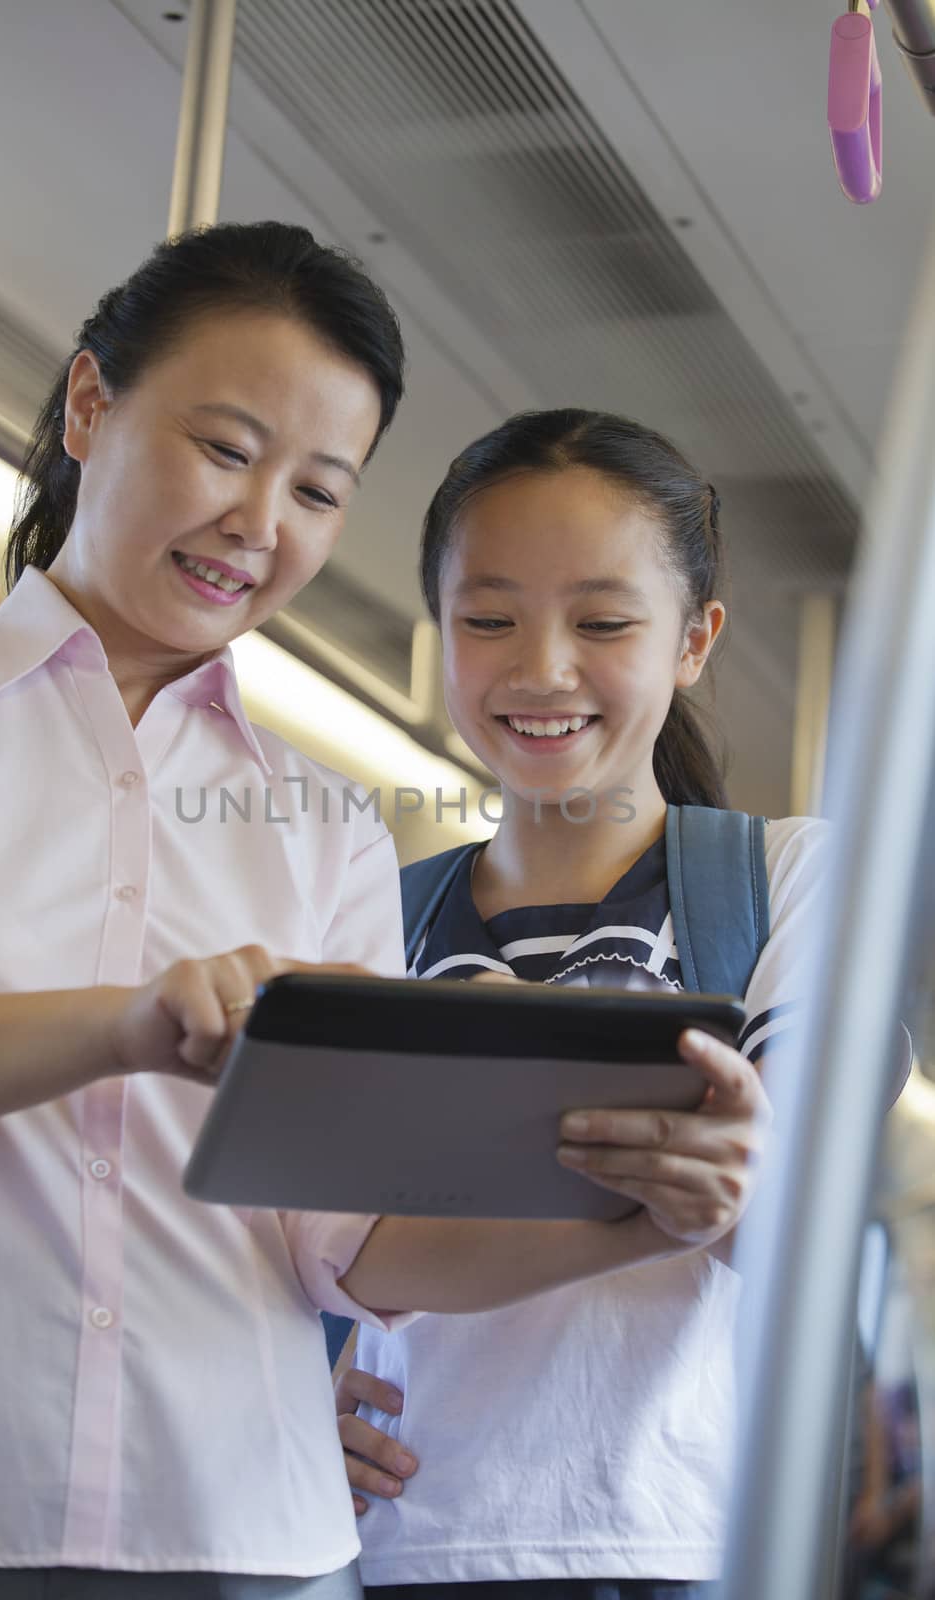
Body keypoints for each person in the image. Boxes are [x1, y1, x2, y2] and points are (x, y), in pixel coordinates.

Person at [0, 239, 766, 1599]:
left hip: (238, 1533)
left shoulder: (328, 824)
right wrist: (121, 1028)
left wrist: (651, 1219)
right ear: (90, 408)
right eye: (226, 449)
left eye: (317, 491)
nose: (258, 522)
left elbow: (348, 1243)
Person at [335, 409, 829, 1600]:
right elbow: (299, 1244)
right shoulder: (365, 914)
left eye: (602, 622)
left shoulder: (783, 880)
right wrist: (290, 1393)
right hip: (400, 1543)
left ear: (694, 638)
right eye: (487, 619)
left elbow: (808, 1230)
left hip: (676, 1542)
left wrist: (737, 1196)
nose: (540, 668)